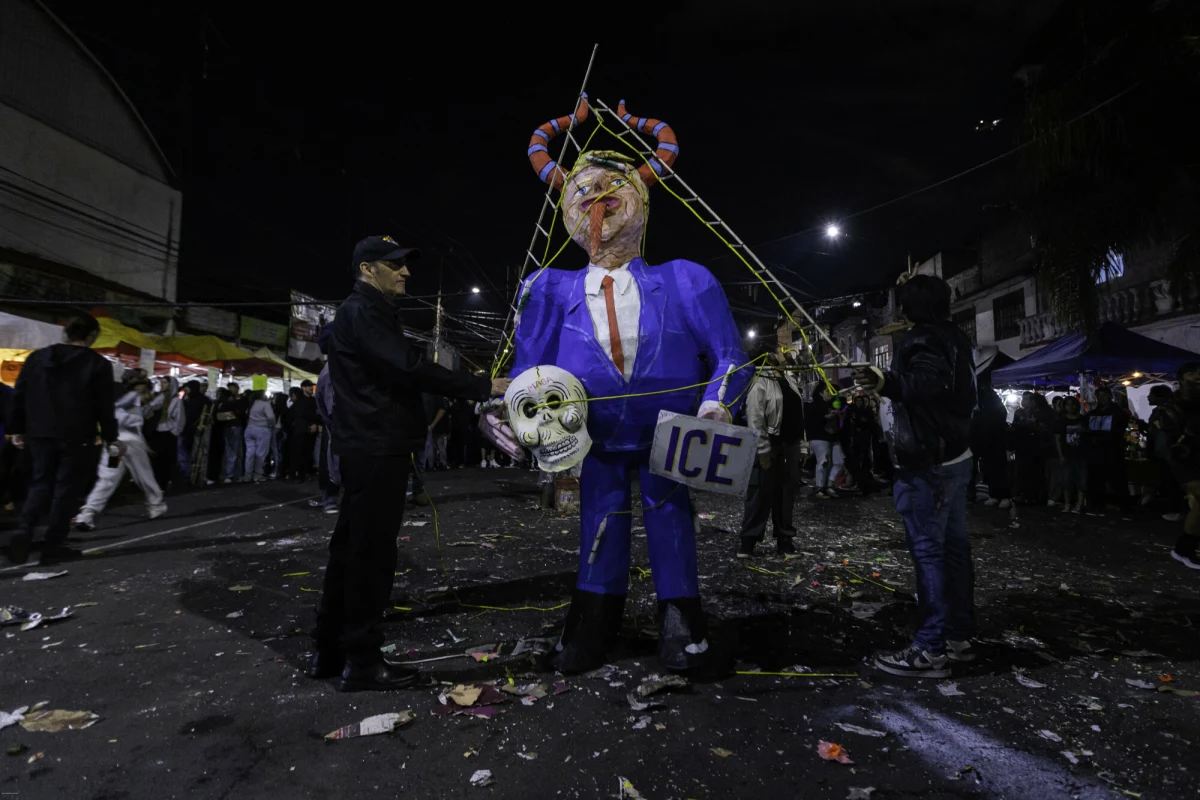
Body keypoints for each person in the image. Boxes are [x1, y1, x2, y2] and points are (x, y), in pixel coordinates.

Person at [485, 99, 749, 674]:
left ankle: (681, 625)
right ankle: (592, 625)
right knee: (599, 519)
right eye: (580, 187)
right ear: (564, 211)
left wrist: (715, 404)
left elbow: (731, 356)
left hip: (670, 436)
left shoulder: (687, 280)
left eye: (612, 184)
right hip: (594, 438)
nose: (595, 196)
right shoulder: (545, 288)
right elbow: (529, 373)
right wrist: (509, 410)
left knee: (669, 515)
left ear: (642, 197)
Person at [310, 235, 508, 692]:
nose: (405, 273)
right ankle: (361, 661)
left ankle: (329, 648)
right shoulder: (364, 312)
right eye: (394, 265)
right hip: (376, 449)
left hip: (369, 447)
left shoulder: (364, 312)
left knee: (349, 551)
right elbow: (409, 368)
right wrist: (482, 386)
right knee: (370, 557)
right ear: (367, 270)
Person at [855, 274, 977, 678]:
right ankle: (959, 637)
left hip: (928, 463)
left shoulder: (923, 339)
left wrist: (886, 380)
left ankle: (930, 649)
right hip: (954, 457)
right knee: (955, 550)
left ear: (911, 307)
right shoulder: (956, 337)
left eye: (901, 303)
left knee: (930, 553)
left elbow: (929, 381)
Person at [4, 314, 123, 565]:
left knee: (40, 484)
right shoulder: (97, 364)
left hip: (40, 432)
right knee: (66, 491)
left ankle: (24, 532)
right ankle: (53, 545)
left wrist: (17, 429)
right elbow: (104, 406)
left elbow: (20, 394)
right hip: (77, 434)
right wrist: (111, 437)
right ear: (91, 336)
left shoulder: (37, 358)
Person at [75, 379, 167, 530]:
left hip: (115, 445)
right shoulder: (132, 400)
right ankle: (156, 505)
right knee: (144, 476)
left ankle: (87, 513)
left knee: (108, 479)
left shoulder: (117, 398)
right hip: (130, 443)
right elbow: (131, 419)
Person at [738, 342, 801, 558]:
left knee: (785, 496)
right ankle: (748, 541)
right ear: (769, 355)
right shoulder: (761, 381)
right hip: (770, 445)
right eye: (778, 351)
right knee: (760, 494)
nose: (782, 353)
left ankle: (785, 541)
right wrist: (762, 450)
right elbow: (755, 417)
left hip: (789, 445)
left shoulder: (788, 378)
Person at [1150, 363, 1200, 569]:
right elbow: (1175, 443)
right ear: (1180, 379)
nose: (1198, 377)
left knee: (1198, 507)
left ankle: (1182, 551)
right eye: (1192, 373)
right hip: (1186, 462)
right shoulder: (1169, 408)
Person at [1085, 386, 1132, 516]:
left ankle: (1125, 508)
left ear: (1109, 396)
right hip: (1097, 453)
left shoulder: (1118, 413)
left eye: (1103, 396)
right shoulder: (1093, 414)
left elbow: (1118, 431)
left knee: (1118, 481)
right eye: (1098, 396)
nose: (1101, 399)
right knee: (1096, 481)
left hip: (1113, 452)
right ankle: (1097, 505)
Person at [972, 382, 1011, 508]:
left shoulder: (985, 403)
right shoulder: (988, 403)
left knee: (996, 469)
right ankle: (997, 495)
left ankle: (1002, 496)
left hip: (992, 440)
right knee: (992, 469)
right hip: (988, 440)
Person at [805, 384, 845, 499]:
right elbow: (809, 423)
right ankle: (820, 487)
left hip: (834, 437)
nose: (831, 394)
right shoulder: (813, 406)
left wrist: (840, 418)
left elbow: (840, 423)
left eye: (833, 392)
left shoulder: (835, 405)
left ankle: (830, 484)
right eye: (828, 391)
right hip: (819, 436)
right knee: (823, 461)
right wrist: (825, 418)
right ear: (821, 392)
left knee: (839, 461)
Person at [148, 377, 185, 491]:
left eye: (165, 383)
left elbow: (179, 419)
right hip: (157, 432)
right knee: (156, 460)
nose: (162, 385)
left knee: (166, 460)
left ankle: (163, 483)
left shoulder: (176, 400)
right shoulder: (160, 398)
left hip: (168, 434)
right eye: (161, 383)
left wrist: (173, 432)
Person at [1055, 396, 1088, 514]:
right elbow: (1058, 439)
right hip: (1067, 454)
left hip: (1081, 454)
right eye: (1068, 404)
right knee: (1066, 481)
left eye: (1073, 404)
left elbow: (1088, 437)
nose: (1071, 407)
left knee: (1082, 481)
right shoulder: (1062, 421)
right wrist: (1061, 455)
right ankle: (1068, 504)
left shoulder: (1083, 420)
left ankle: (1079, 505)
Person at [288, 382, 319, 482]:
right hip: (302, 431)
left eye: (311, 386)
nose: (311, 388)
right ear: (303, 388)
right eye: (308, 386)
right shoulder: (300, 402)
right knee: (300, 452)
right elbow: (299, 416)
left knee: (309, 452)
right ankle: (300, 475)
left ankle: (307, 473)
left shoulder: (314, 400)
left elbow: (317, 414)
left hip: (311, 431)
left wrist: (315, 423)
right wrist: (311, 423)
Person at [243, 390, 276, 483]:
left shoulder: (251, 404)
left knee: (249, 454)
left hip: (249, 429)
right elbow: (271, 417)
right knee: (260, 453)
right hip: (262, 430)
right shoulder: (265, 404)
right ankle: (258, 475)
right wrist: (271, 425)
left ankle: (247, 475)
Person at [217, 383, 247, 484]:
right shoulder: (228, 401)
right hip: (232, 427)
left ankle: (232, 474)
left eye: (233, 388)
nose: (232, 390)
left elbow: (240, 414)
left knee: (234, 451)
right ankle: (231, 474)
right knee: (233, 451)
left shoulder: (238, 401)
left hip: (234, 427)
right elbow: (221, 416)